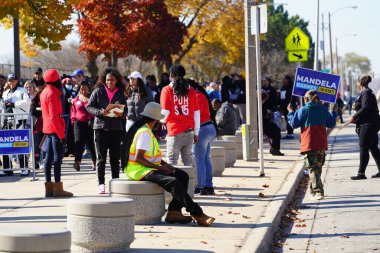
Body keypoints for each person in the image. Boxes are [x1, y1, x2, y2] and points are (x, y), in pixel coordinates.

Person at [124, 102, 215, 226]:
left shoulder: (146, 130)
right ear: (156, 119)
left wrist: (165, 165)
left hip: (147, 167)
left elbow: (152, 156)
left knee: (182, 175)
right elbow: (139, 159)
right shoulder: (144, 133)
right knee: (173, 182)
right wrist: (160, 167)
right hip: (139, 170)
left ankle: (174, 212)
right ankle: (197, 213)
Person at [288, 90, 338, 200]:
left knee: (313, 168)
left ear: (306, 99)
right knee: (317, 168)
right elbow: (331, 123)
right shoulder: (323, 110)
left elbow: (293, 124)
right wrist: (334, 112)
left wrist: (291, 112)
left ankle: (318, 191)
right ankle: (313, 191)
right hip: (321, 143)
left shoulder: (302, 110)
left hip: (308, 143)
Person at [87, 67, 127, 194]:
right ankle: (101, 183)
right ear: (104, 80)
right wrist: (100, 112)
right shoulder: (98, 91)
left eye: (112, 80)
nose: (110, 82)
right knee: (101, 159)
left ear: (116, 81)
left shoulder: (120, 93)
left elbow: (125, 111)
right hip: (100, 129)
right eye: (108, 80)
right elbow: (89, 106)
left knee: (115, 158)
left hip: (116, 129)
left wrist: (122, 114)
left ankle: (115, 182)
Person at [40, 69, 73, 197]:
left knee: (48, 160)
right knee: (57, 159)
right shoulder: (53, 93)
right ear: (56, 80)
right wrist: (61, 135)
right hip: (55, 129)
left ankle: (49, 189)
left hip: (48, 129)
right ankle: (58, 188)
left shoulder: (44, 92)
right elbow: (55, 117)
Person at [160, 64, 199, 166]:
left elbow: (165, 112)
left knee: (172, 163)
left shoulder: (167, 90)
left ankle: (176, 182)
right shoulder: (191, 90)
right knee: (188, 162)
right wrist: (196, 132)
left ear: (171, 74)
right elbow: (196, 113)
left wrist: (161, 121)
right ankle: (191, 182)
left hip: (174, 131)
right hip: (189, 131)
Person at [349, 75, 380, 180]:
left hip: (368, 124)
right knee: (374, 148)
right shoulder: (365, 92)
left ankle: (361, 174)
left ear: (360, 83)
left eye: (357, 82)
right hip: (369, 123)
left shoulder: (366, 92)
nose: (356, 84)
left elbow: (366, 107)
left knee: (364, 147)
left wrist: (354, 116)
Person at [1, 73, 31, 177]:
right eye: (9, 80)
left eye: (13, 80)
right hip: (6, 120)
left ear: (17, 81)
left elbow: (28, 101)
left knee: (20, 143)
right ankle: (7, 168)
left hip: (18, 120)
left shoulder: (22, 91)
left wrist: (14, 104)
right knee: (5, 144)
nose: (11, 82)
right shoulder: (6, 92)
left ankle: (24, 168)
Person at [191, 81, 217, 195]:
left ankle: (201, 186)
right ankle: (209, 186)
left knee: (199, 159)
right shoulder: (201, 95)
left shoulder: (195, 96)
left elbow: (194, 115)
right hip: (209, 128)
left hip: (202, 129)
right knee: (205, 159)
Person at [70, 81, 96, 171]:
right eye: (81, 89)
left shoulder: (92, 98)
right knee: (78, 142)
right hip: (78, 123)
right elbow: (73, 110)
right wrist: (73, 119)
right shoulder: (76, 98)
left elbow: (94, 110)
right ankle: (77, 162)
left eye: (85, 89)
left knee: (91, 143)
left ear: (88, 89)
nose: (83, 91)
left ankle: (94, 162)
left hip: (90, 123)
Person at [262, 92, 284, 156]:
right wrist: (269, 115)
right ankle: (275, 149)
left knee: (276, 129)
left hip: (264, 123)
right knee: (276, 131)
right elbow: (264, 116)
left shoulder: (262, 105)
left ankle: (274, 149)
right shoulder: (260, 105)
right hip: (263, 124)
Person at [278, 75, 297, 139]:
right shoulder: (282, 88)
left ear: (288, 80)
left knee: (290, 119)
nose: (283, 80)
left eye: (285, 79)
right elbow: (281, 97)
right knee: (286, 119)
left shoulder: (291, 88)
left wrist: (291, 104)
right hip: (284, 106)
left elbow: (294, 98)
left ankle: (290, 133)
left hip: (290, 106)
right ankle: (288, 133)